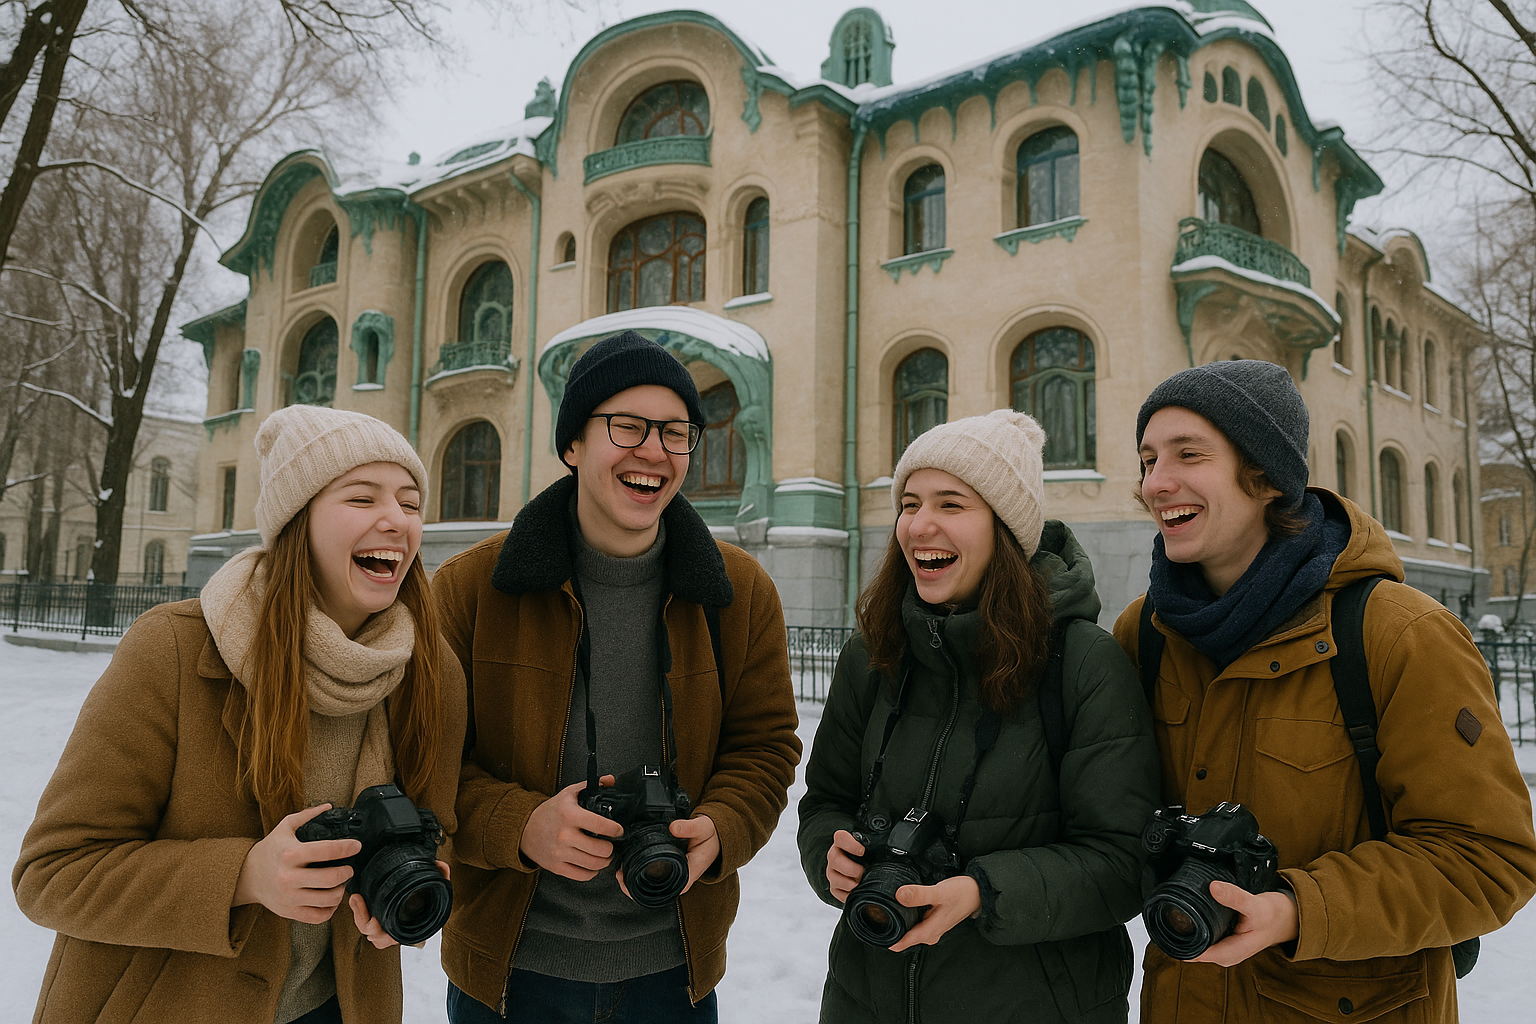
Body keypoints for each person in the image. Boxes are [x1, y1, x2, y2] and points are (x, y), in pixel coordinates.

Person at [12, 405, 466, 1024]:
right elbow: (53, 874)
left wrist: (400, 890)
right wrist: (245, 877)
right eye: (362, 498)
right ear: (296, 520)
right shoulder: (172, 651)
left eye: (411, 503)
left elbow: (436, 830)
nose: (396, 519)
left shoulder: (430, 671)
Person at [1116, 358, 1536, 1023]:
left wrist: (1297, 908)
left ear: (1263, 476)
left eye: (1188, 454)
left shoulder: (1399, 635)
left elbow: (1488, 859)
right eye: (1146, 460)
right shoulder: (1144, 634)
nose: (1156, 483)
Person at [433, 330, 801, 1023]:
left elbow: (766, 746)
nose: (654, 451)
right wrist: (523, 824)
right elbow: (428, 763)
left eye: (676, 432)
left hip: (673, 970)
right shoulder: (471, 589)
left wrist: (721, 827)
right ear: (572, 444)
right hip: (511, 974)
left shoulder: (738, 591)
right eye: (627, 426)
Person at [797, 409, 1160, 1023]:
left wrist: (984, 894)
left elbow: (1124, 861)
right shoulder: (874, 652)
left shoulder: (1082, 663)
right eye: (909, 504)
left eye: (952, 504)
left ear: (1005, 527)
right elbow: (825, 801)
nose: (919, 525)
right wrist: (829, 855)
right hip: (868, 996)